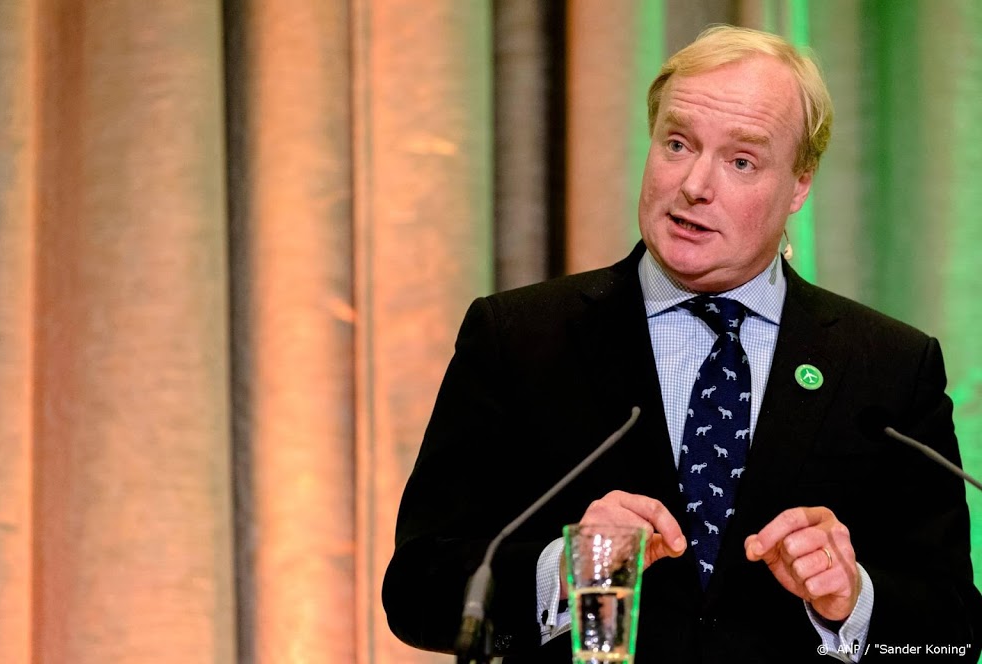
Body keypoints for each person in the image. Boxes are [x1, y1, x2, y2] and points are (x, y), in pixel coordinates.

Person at [382, 25, 982, 663]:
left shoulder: (888, 368)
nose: (695, 184)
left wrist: (852, 599)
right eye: (677, 143)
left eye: (741, 161)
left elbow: (951, 635)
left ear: (800, 185)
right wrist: (565, 567)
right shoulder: (520, 338)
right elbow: (418, 592)